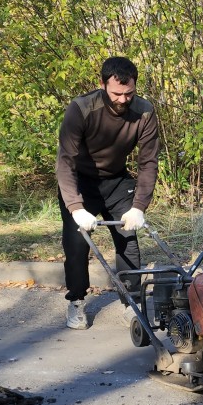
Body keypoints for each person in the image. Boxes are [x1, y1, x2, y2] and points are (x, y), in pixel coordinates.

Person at [55, 56, 160, 329]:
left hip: (116, 181)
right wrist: (76, 208)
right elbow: (65, 161)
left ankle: (131, 301)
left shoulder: (145, 112)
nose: (123, 100)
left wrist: (139, 206)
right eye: (116, 93)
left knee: (128, 241)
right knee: (77, 245)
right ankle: (76, 301)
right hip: (80, 181)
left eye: (129, 93)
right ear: (101, 84)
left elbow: (148, 162)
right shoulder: (81, 108)